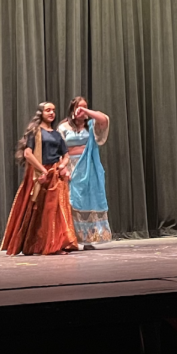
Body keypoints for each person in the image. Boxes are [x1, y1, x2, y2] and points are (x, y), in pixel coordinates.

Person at [2, 102, 78, 256]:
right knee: (37, 209)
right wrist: (42, 170)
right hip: (39, 174)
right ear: (40, 113)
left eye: (54, 110)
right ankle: (36, 244)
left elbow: (66, 155)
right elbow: (28, 154)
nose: (51, 113)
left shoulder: (57, 134)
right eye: (48, 110)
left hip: (55, 175)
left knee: (54, 209)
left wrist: (62, 166)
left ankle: (55, 244)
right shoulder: (35, 132)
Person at [58, 97, 112, 248]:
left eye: (85, 107)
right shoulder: (63, 127)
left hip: (89, 167)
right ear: (72, 109)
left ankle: (88, 239)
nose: (82, 110)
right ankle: (71, 239)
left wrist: (86, 111)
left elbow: (104, 119)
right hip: (72, 166)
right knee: (73, 201)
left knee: (89, 200)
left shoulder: (91, 125)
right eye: (79, 107)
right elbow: (59, 149)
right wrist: (62, 168)